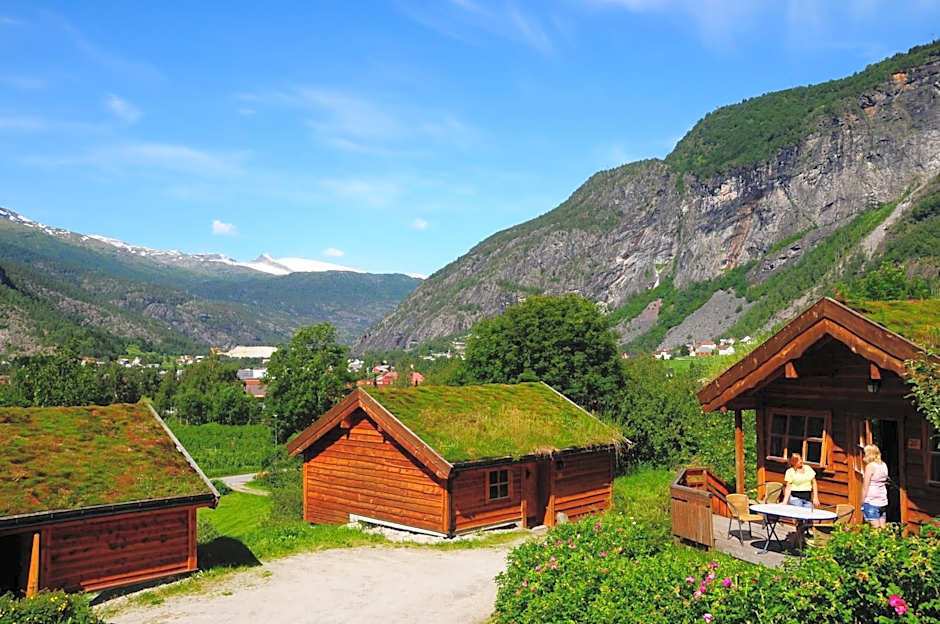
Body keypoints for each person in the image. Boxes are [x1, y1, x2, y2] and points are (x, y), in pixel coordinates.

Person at [782, 453, 820, 548]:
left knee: (809, 520)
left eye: (801, 459)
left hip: (807, 497)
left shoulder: (808, 469)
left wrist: (815, 497)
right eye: (799, 460)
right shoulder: (790, 472)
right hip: (796, 498)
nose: (801, 461)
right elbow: (788, 487)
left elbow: (814, 483)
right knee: (799, 520)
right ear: (794, 462)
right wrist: (785, 501)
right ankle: (799, 541)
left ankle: (796, 538)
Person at [861, 444, 889, 528]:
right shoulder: (883, 465)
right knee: (883, 529)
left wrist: (862, 502)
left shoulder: (870, 466)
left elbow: (865, 487)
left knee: (874, 531)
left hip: (871, 501)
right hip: (882, 501)